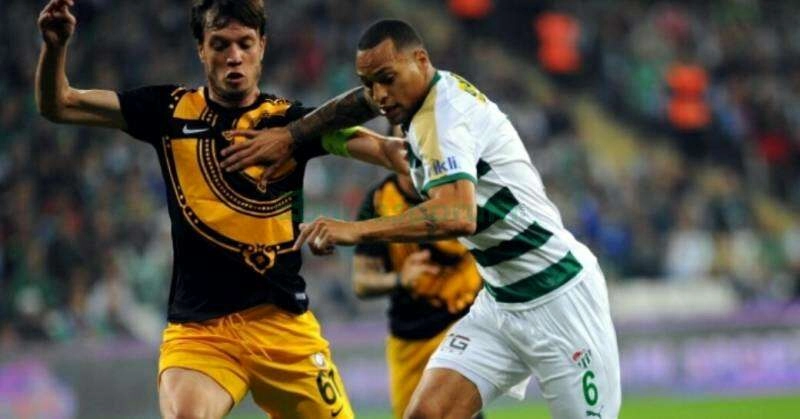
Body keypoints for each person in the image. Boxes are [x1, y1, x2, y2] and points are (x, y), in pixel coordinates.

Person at [220, 19, 622, 419]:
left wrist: (354, 231)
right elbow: (367, 123)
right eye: (369, 82)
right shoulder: (419, 100)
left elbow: (457, 214)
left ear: (421, 61)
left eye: (386, 79)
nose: (379, 94)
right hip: (501, 305)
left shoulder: (445, 118)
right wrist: (293, 136)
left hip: (560, 299)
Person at [35, 1, 402, 417]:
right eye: (220, 44)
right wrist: (55, 47)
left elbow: (387, 151)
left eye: (245, 43)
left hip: (283, 330)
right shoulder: (168, 111)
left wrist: (430, 143)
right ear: (201, 49)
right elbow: (58, 104)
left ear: (262, 47)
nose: (234, 56)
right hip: (201, 334)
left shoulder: (294, 123)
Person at [352, 172, 483, 419]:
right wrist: (400, 280)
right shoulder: (381, 200)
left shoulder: (462, 184)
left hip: (464, 320)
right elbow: (361, 282)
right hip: (412, 335)